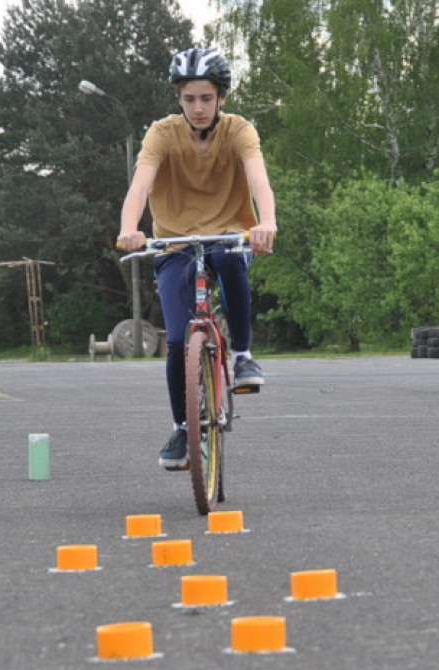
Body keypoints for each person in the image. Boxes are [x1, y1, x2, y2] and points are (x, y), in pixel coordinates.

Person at [117, 46, 277, 470]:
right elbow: (139, 186)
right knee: (175, 339)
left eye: (206, 98)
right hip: (175, 243)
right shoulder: (162, 134)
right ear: (179, 99)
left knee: (228, 261)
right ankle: (181, 428)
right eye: (189, 99)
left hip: (229, 236)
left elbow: (259, 180)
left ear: (221, 96)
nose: (198, 107)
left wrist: (267, 223)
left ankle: (241, 355)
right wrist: (129, 229)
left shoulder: (240, 130)